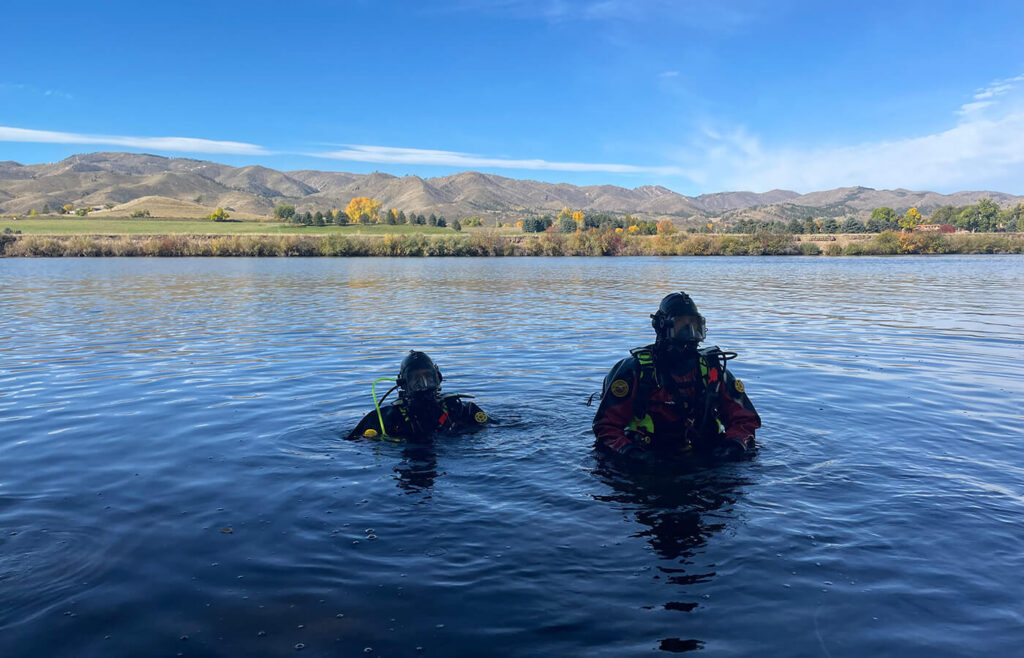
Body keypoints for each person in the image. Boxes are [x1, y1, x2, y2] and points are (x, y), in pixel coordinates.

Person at [592, 292, 761, 461]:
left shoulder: (712, 370)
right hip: (648, 456)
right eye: (681, 325)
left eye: (695, 325)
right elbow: (607, 426)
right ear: (662, 326)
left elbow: (744, 420)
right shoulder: (636, 371)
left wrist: (735, 444)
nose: (690, 332)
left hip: (703, 454)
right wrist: (629, 452)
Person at [347, 351, 489, 441]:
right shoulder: (386, 418)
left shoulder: (458, 408)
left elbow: (492, 430)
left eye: (429, 378)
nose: (424, 384)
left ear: (438, 378)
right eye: (416, 381)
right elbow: (356, 441)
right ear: (404, 384)